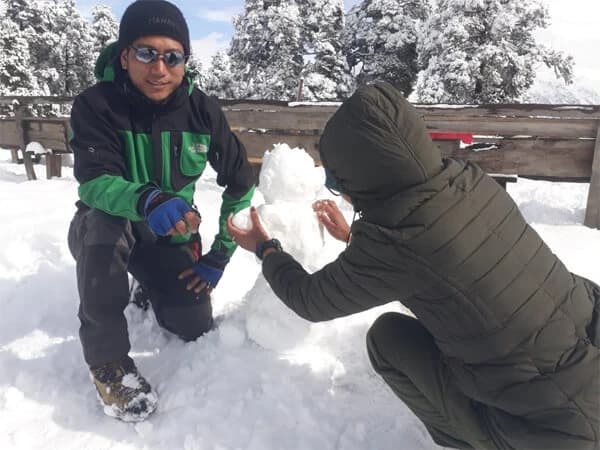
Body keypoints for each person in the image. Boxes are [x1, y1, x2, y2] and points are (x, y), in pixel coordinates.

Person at [227, 82, 599, 449]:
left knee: (386, 338)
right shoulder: (469, 181)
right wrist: (357, 240)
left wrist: (266, 249)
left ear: (364, 176)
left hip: (555, 429)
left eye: (336, 180)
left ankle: (470, 439)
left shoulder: (398, 240)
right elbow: (440, 254)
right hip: (586, 352)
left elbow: (309, 300)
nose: (340, 190)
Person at [68, 0, 255, 421]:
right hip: (104, 227)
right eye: (146, 53)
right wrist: (148, 198)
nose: (160, 68)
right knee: (106, 225)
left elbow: (241, 183)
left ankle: (147, 282)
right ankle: (108, 364)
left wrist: (220, 255)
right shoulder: (96, 105)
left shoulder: (202, 110)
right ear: (125, 55)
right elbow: (95, 182)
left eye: (173, 57)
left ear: (184, 61)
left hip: (168, 234)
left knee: (192, 324)